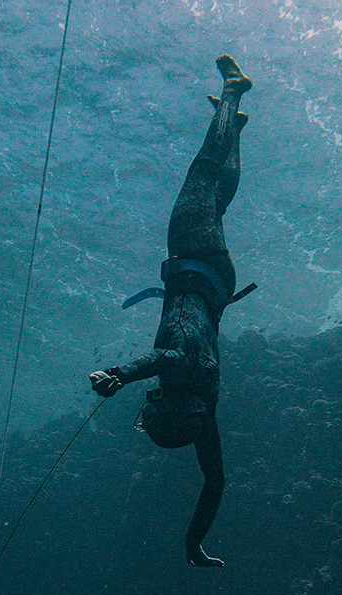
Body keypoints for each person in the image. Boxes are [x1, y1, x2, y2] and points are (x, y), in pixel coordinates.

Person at [88, 55, 253, 567]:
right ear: (165, 410)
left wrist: (193, 544)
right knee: (202, 177)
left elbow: (215, 482)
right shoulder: (179, 369)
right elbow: (156, 361)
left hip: (216, 284)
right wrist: (117, 375)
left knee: (218, 196)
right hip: (194, 259)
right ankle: (233, 93)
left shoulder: (206, 414)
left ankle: (238, 129)